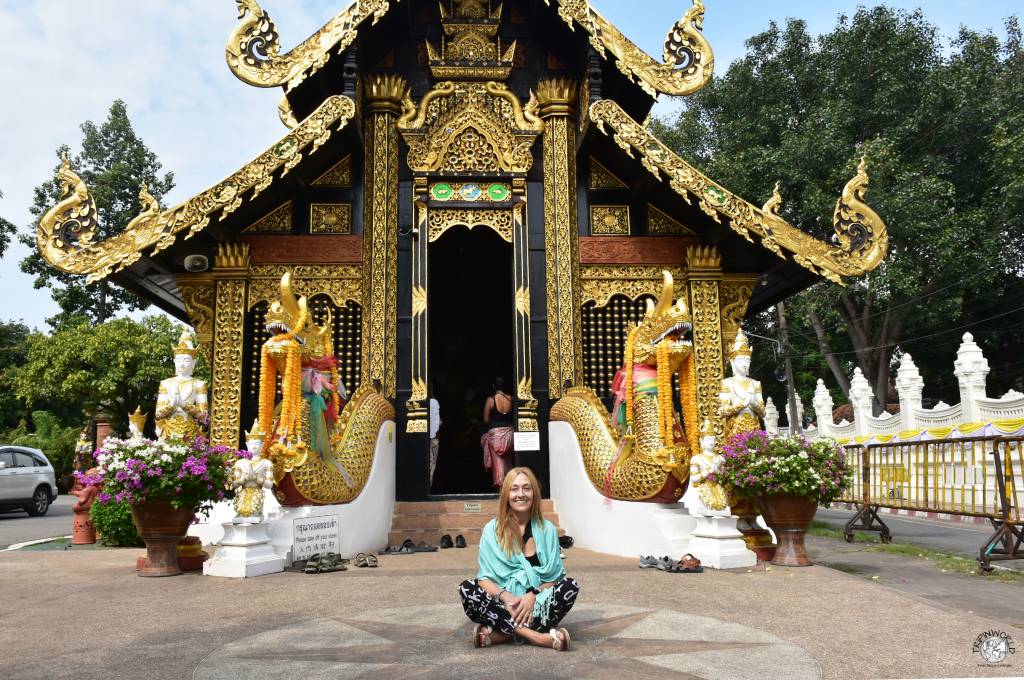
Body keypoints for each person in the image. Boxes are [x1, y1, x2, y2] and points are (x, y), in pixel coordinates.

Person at [458, 467, 579, 651]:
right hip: (504, 603)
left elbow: (554, 578)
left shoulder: (547, 530)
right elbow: (484, 579)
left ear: (534, 493)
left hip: (537, 603)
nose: (520, 494)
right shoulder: (492, 530)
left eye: (526, 488)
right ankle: (537, 636)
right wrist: (507, 598)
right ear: (506, 494)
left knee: (570, 586)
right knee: (467, 589)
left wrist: (532, 595)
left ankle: (502, 633)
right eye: (514, 489)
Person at [480, 377, 514, 489]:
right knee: (507, 461)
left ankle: (501, 487)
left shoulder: (491, 400)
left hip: (496, 435)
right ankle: (510, 484)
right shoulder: (511, 398)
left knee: (497, 462)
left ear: (493, 386)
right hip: (509, 433)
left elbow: (485, 420)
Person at [428, 390, 442, 485]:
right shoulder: (433, 402)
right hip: (433, 437)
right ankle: (429, 484)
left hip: (428, 436)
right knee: (432, 463)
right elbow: (437, 422)